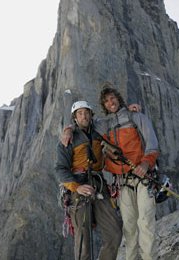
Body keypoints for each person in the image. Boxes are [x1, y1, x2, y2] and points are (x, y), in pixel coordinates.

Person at [98, 82, 160, 260]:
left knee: (145, 222)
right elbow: (84, 124)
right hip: (123, 182)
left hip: (144, 178)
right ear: (104, 106)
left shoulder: (136, 117)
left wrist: (146, 164)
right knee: (129, 227)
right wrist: (69, 129)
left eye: (113, 98)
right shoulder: (104, 126)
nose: (111, 102)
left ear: (118, 99)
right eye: (107, 101)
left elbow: (152, 144)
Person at [55, 101, 122, 260]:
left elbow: (115, 121)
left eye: (86, 112)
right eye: (80, 113)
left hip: (98, 185)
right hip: (78, 189)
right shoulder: (67, 141)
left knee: (115, 232)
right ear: (75, 118)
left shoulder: (98, 135)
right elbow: (60, 169)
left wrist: (130, 111)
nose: (84, 116)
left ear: (91, 115)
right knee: (83, 240)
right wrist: (76, 187)